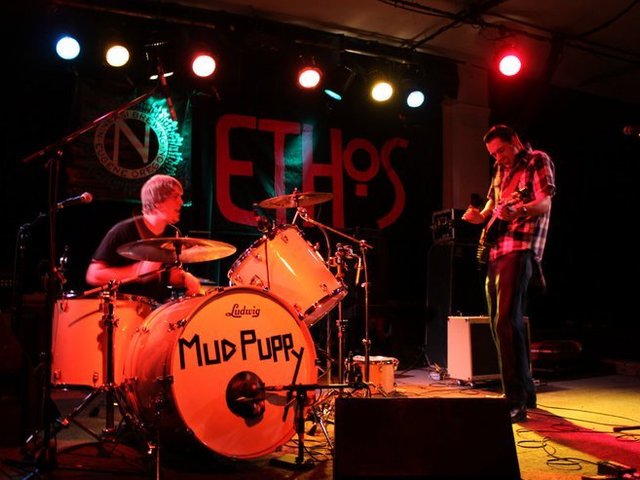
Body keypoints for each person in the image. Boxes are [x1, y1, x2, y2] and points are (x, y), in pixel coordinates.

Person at [462, 124, 555, 423]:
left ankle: (514, 400)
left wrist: (520, 211)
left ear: (515, 140)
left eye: (501, 150)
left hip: (520, 246)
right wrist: (481, 216)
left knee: (506, 322)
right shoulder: (500, 169)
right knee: (499, 323)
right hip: (496, 249)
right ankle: (526, 392)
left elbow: (544, 202)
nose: (498, 157)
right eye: (493, 154)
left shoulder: (537, 160)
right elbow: (494, 200)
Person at [86, 174, 203, 302]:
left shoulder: (173, 233)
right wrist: (136, 271)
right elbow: (93, 275)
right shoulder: (123, 231)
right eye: (175, 197)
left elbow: (166, 275)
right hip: (125, 308)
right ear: (157, 202)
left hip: (157, 308)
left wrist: (184, 277)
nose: (181, 202)